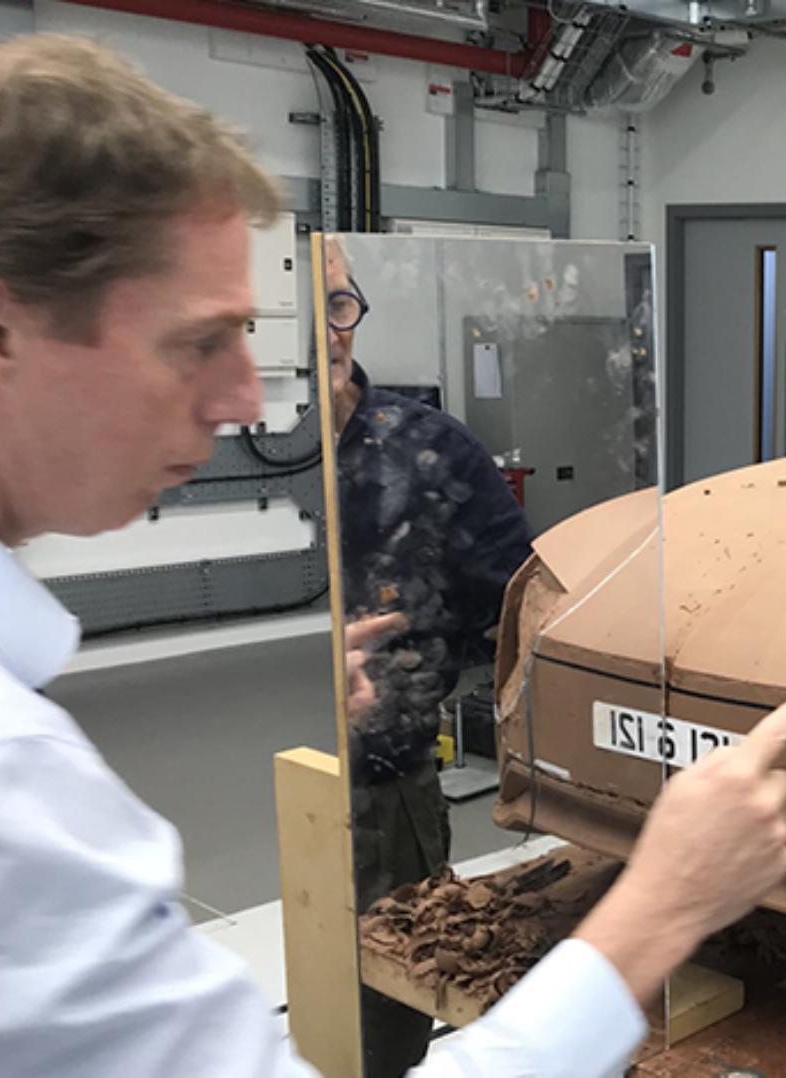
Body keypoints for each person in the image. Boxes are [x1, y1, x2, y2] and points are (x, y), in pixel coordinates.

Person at [0, 32, 786, 1076]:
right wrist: (662, 905)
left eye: (267, 326)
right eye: (199, 340)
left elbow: (515, 581)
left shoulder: (429, 444)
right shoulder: (2, 780)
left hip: (399, 739)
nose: (246, 394)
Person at [321, 236, 538, 1075]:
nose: (336, 329)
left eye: (345, 305)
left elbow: (515, 593)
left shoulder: (427, 449)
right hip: (287, 774)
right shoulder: (229, 434)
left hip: (389, 784)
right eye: (318, 306)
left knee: (389, 1011)